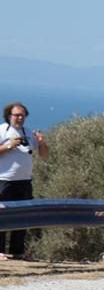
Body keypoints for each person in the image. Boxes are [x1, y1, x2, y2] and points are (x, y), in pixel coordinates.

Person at [0, 102, 49, 260]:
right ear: (9, 116)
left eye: (23, 115)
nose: (20, 118)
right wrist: (10, 146)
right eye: (16, 115)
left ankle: (17, 251)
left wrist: (41, 142)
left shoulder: (27, 132)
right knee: (2, 215)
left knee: (21, 216)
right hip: (4, 181)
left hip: (24, 181)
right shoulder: (2, 130)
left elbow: (44, 155)